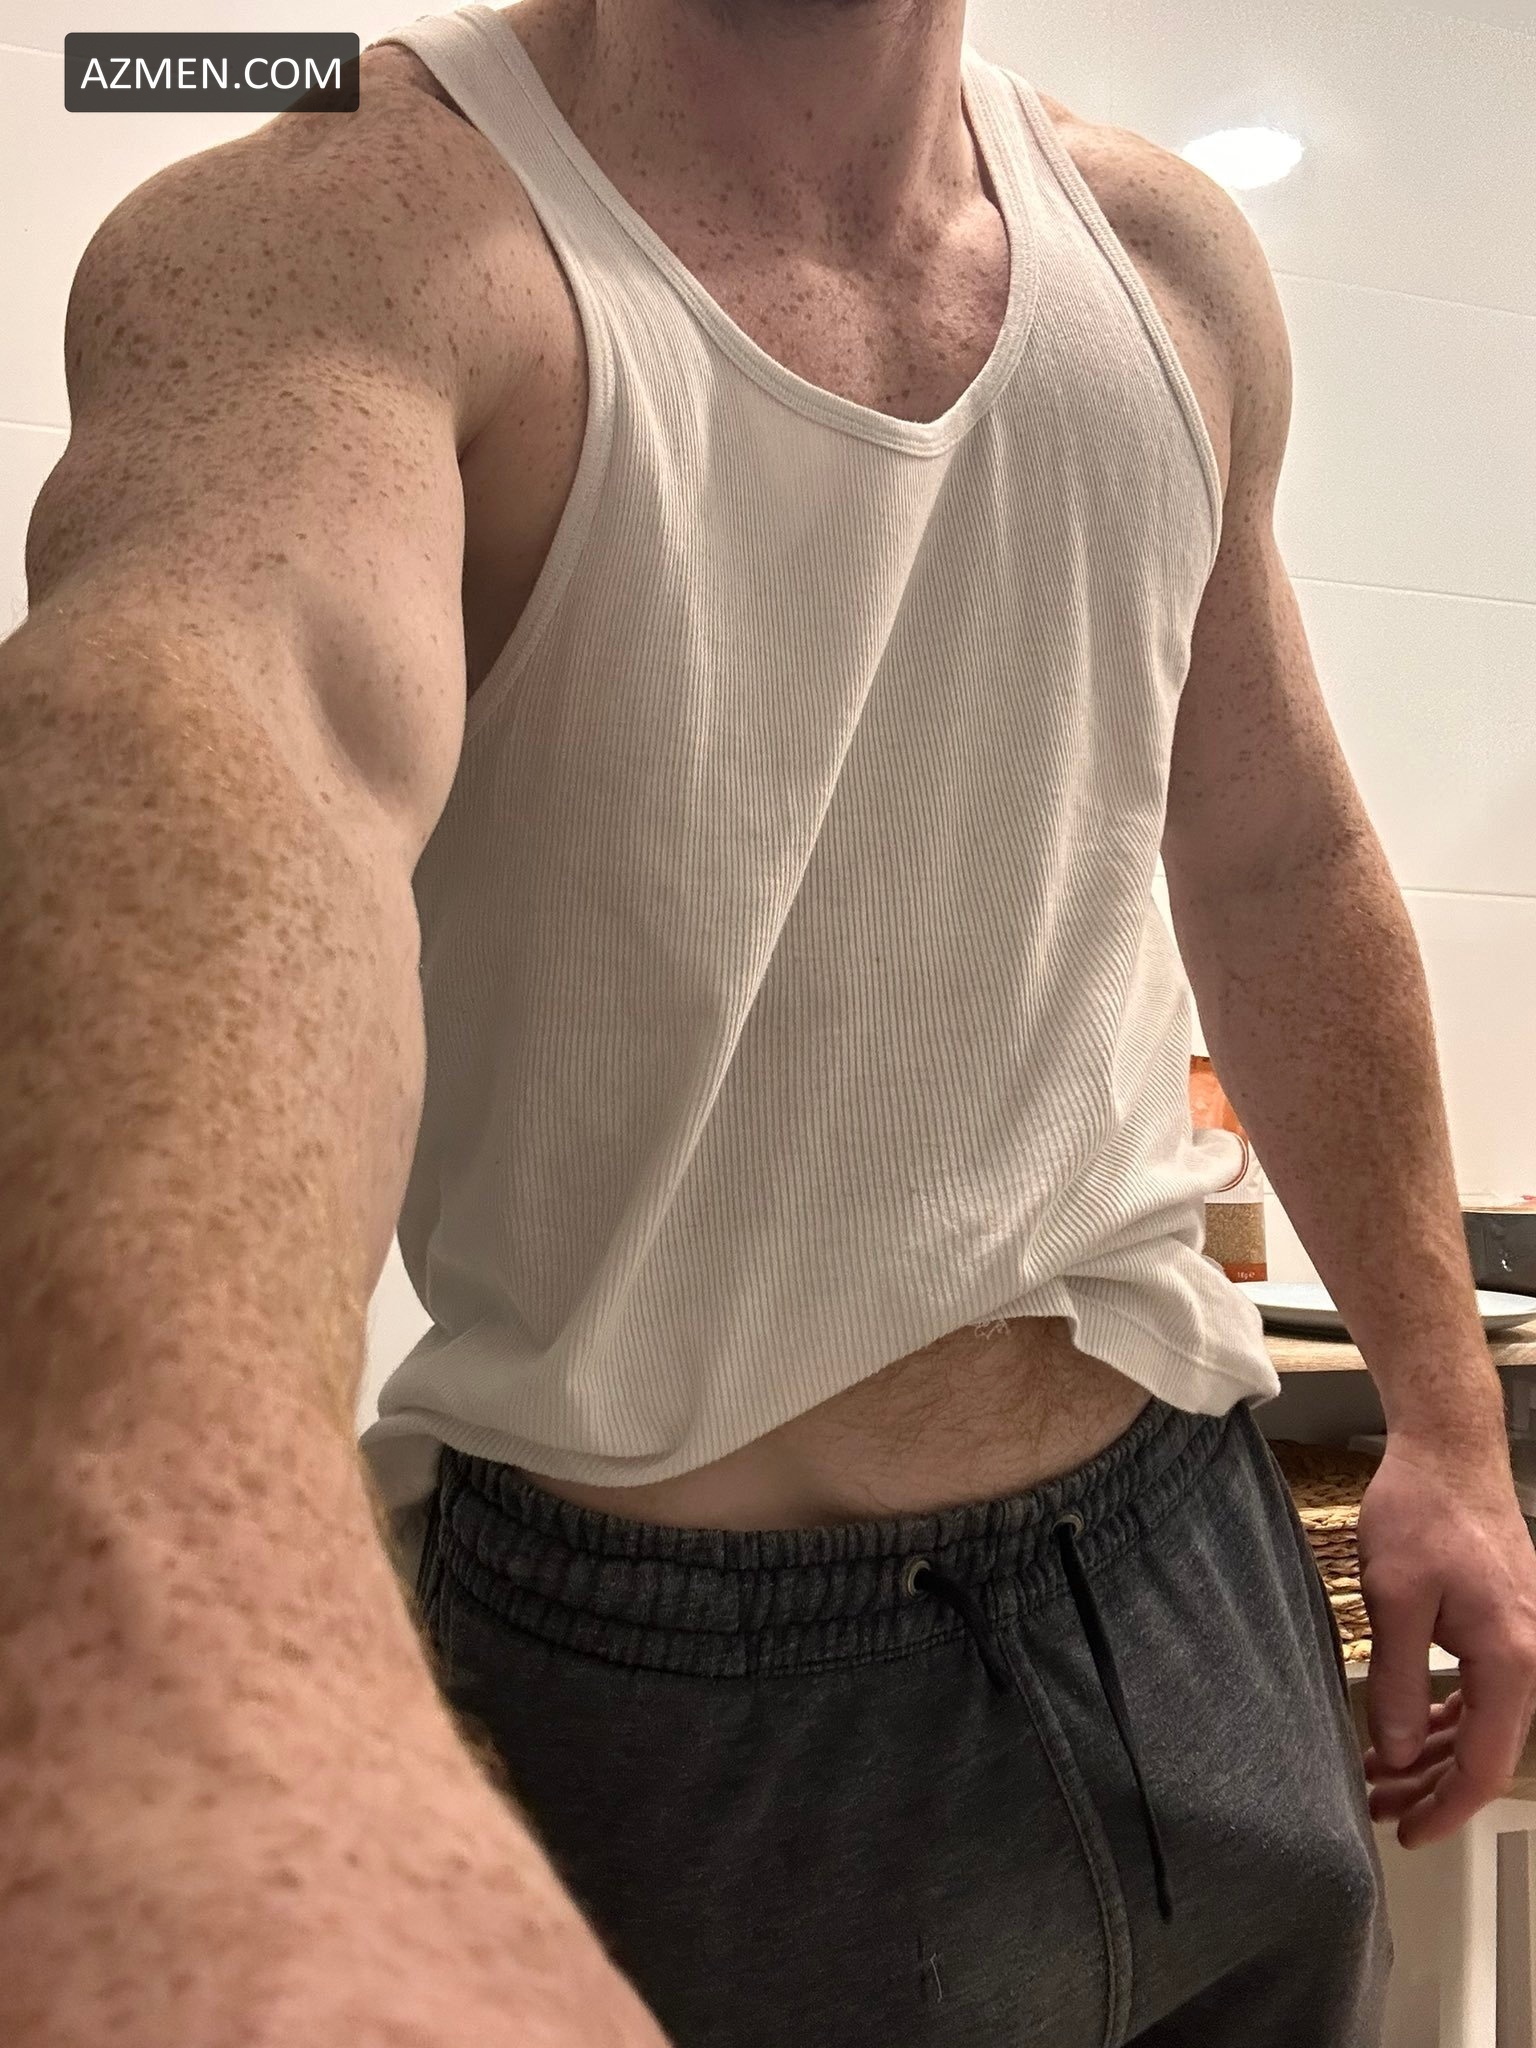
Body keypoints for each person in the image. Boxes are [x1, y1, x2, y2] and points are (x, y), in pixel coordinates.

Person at [2, 0, 1533, 2042]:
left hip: (1186, 1562)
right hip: (676, 1701)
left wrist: (1447, 1419)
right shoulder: (343, 236)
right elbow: (216, 754)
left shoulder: (1165, 261)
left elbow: (1278, 862)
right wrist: (182, 1650)